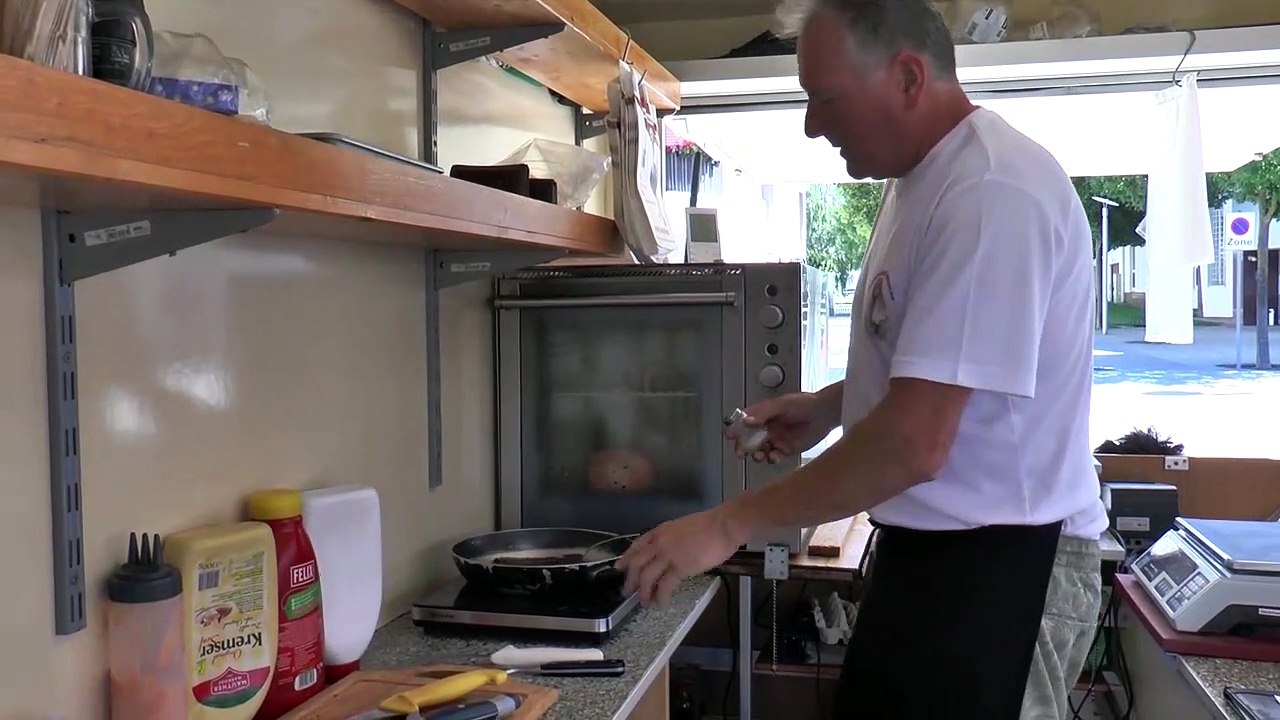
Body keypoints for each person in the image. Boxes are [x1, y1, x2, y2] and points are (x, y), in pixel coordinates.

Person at [615, 0, 1110, 718]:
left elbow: (916, 441)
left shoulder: (990, 190)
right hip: (935, 556)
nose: (814, 124)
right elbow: (949, 370)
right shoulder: (923, 183)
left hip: (1008, 564)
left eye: (826, 99)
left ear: (909, 76)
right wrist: (829, 406)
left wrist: (728, 525)